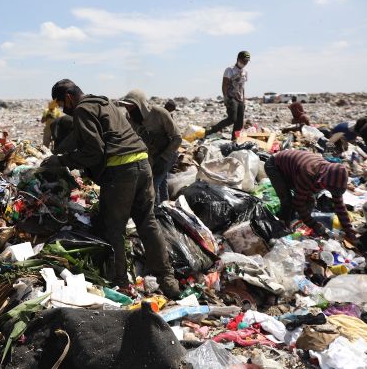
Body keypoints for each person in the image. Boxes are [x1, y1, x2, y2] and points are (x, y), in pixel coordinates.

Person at [43, 79, 180, 298]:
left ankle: (121, 282)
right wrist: (58, 152)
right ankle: (168, 281)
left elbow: (94, 151)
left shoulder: (82, 110)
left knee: (114, 227)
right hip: (143, 163)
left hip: (121, 171)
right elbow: (79, 138)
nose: (63, 110)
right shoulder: (104, 103)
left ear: (68, 98)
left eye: (61, 104)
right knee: (147, 222)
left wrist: (62, 161)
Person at [265, 149, 356, 242]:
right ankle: (281, 232)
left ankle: (297, 224)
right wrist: (314, 225)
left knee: (310, 201)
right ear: (325, 181)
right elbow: (298, 203)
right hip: (275, 166)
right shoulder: (309, 173)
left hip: (294, 169)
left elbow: (339, 206)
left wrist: (349, 231)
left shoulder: (332, 177)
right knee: (287, 201)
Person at [120, 90, 183, 206]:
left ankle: (156, 213)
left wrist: (164, 158)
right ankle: (165, 208)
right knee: (161, 182)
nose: (129, 110)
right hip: (152, 156)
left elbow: (177, 138)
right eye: (126, 107)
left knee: (152, 186)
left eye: (132, 107)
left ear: (141, 105)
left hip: (168, 153)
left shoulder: (160, 113)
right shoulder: (130, 117)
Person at [205, 51, 250, 140]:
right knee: (232, 118)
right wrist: (225, 97)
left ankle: (234, 139)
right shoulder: (230, 70)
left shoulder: (245, 72)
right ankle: (211, 131)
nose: (245, 63)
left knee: (240, 122)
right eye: (244, 61)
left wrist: (244, 101)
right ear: (238, 59)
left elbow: (242, 87)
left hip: (240, 99)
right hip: (231, 97)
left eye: (247, 61)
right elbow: (224, 84)